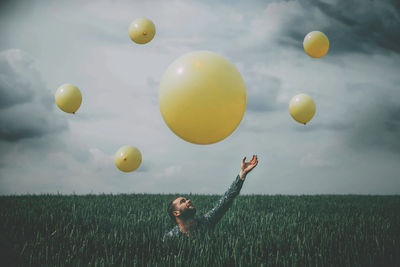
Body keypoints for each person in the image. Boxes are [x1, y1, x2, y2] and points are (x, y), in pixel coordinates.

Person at [163, 155, 258, 241]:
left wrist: (242, 174)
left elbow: (225, 201)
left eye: (186, 199)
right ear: (176, 213)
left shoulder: (206, 222)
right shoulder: (170, 238)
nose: (188, 200)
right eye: (182, 201)